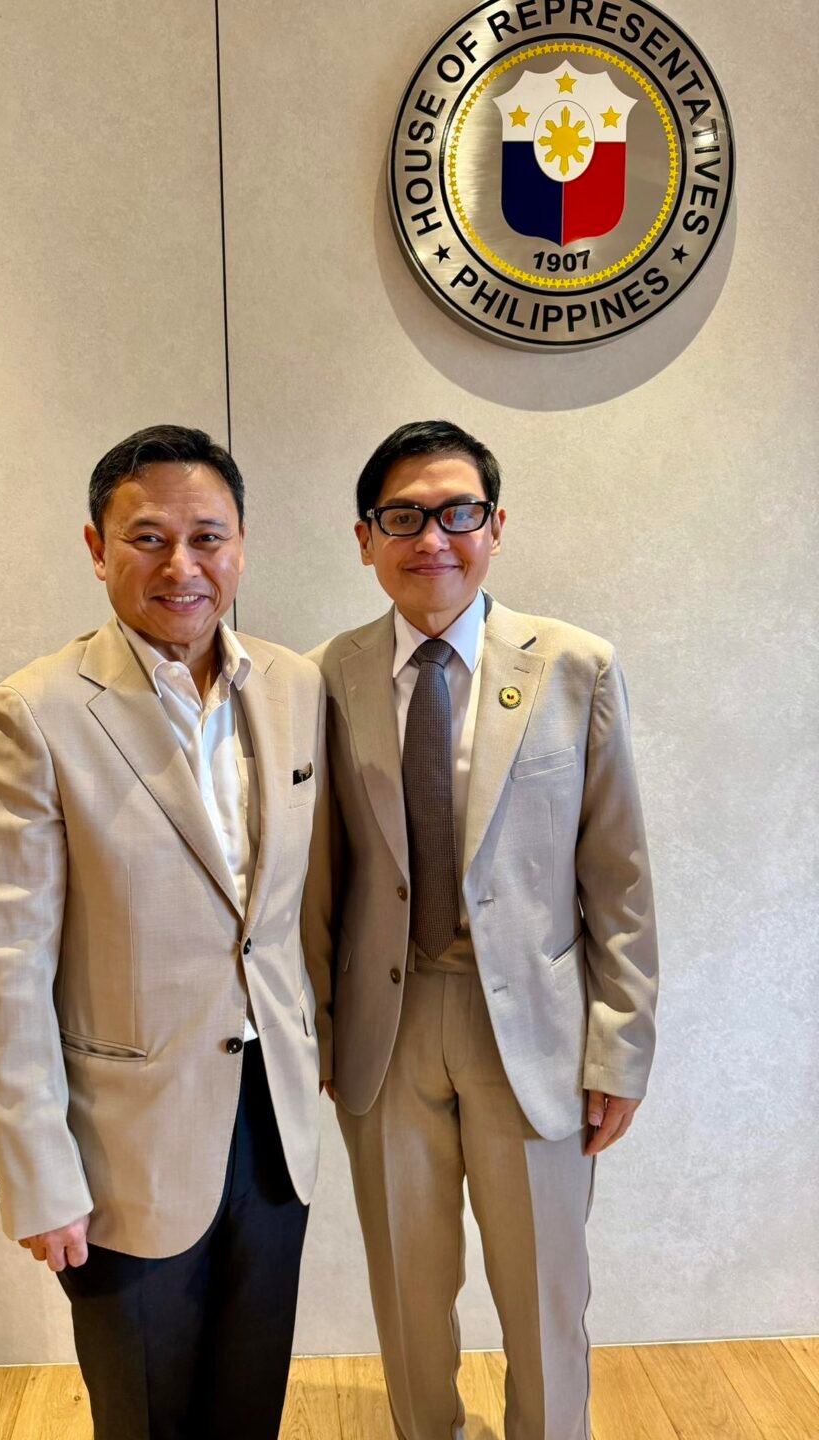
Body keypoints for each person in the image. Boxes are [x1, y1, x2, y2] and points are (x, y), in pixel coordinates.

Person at [0, 424, 331, 1440]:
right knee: (147, 1412)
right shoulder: (34, 716)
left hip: (274, 1121)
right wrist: (38, 1174)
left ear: (241, 545)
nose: (182, 567)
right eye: (148, 538)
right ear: (97, 548)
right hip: (122, 1144)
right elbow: (0, 972)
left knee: (250, 1398)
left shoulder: (294, 687)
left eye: (208, 537)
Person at [311, 420, 658, 1440]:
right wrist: (318, 1031)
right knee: (408, 1294)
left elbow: (621, 875)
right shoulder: (329, 676)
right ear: (366, 538)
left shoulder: (576, 668)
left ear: (495, 527)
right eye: (404, 517)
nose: (433, 539)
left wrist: (621, 1048)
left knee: (546, 1295)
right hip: (386, 1029)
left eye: (457, 512)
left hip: (536, 1030)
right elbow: (319, 875)